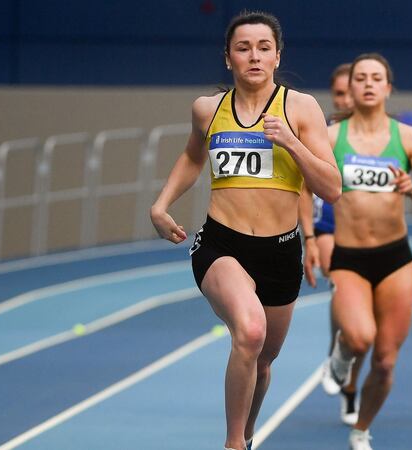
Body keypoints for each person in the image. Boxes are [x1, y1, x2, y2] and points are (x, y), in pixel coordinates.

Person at [149, 11, 341, 450]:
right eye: (243, 48)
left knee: (264, 359)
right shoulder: (208, 109)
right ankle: (233, 443)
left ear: (277, 57)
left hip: (281, 250)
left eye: (263, 48)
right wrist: (161, 205)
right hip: (221, 244)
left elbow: (331, 188)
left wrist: (291, 141)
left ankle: (248, 434)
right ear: (228, 58)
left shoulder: (301, 108)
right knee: (250, 332)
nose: (254, 56)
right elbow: (193, 157)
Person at [312, 52, 412, 450]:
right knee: (359, 337)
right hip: (349, 257)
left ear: (388, 87)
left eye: (376, 78)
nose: (368, 84)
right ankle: (340, 354)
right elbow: (304, 189)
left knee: (385, 362)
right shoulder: (331, 137)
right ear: (349, 88)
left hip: (395, 259)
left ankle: (361, 429)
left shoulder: (411, 138)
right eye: (361, 78)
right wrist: (308, 240)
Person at [299, 63, 363, 426]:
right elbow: (302, 187)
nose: (346, 100)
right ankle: (340, 345)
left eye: (351, 92)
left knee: (367, 329)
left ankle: (348, 381)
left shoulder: (383, 133)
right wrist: (308, 237)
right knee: (343, 293)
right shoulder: (322, 133)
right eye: (339, 93)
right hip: (328, 228)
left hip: (370, 236)